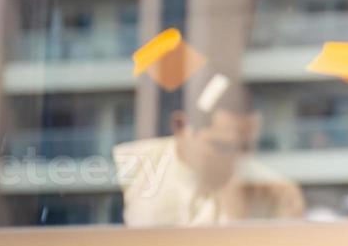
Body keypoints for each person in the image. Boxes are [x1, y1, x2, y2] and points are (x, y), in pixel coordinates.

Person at [113, 75, 304, 227]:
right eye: (222, 147)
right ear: (180, 126)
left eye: (245, 147)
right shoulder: (135, 164)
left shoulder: (275, 191)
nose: (236, 159)